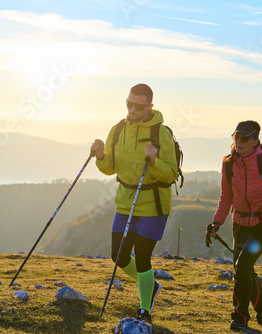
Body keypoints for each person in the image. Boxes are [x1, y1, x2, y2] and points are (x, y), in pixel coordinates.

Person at [90, 83, 178, 325]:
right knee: (118, 255)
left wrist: (154, 161)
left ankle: (144, 310)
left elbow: (171, 174)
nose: (132, 110)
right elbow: (109, 168)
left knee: (142, 257)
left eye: (138, 107)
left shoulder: (162, 134)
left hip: (153, 204)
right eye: (128, 104)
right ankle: (150, 284)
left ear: (150, 106)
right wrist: (99, 156)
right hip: (126, 201)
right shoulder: (118, 130)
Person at [208, 120, 262, 332]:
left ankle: (239, 316)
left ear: (255, 141)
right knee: (242, 267)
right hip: (241, 222)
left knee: (244, 265)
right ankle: (261, 301)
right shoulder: (228, 163)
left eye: (245, 138)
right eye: (236, 137)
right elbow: (225, 198)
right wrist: (217, 222)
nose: (239, 141)